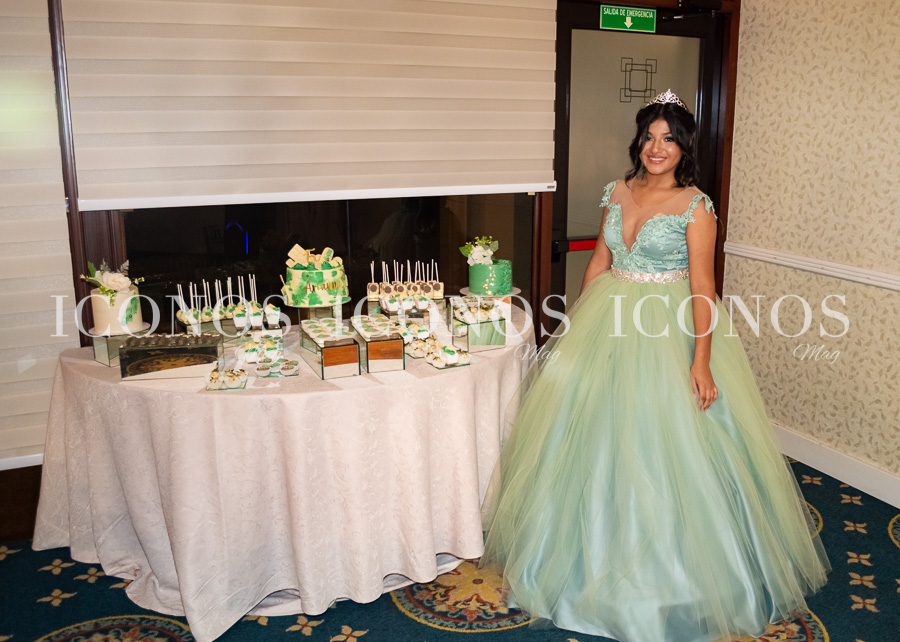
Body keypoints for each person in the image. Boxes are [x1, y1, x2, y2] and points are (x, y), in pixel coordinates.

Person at [480, 90, 830, 642]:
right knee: (590, 438)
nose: (656, 147)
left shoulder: (696, 206)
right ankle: (579, 556)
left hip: (666, 327)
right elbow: (600, 260)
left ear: (684, 146)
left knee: (664, 443)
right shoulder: (617, 190)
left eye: (668, 138)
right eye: (648, 136)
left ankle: (677, 576)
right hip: (607, 320)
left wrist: (701, 362)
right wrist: (575, 329)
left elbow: (703, 287)